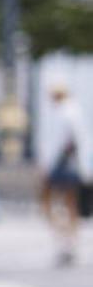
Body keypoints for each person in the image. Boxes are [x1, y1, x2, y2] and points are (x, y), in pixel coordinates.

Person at [40, 83, 89, 266]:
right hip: (66, 165)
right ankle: (68, 240)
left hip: (62, 165)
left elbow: (63, 143)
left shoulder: (66, 113)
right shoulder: (69, 111)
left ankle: (67, 241)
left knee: (62, 204)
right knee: (67, 205)